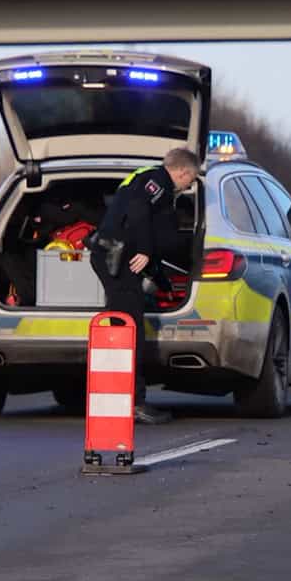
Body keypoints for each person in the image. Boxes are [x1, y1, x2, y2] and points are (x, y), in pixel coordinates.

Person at [90, 147, 200, 424]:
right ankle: (132, 402)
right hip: (118, 257)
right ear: (183, 171)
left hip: (117, 256)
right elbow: (139, 212)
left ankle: (119, 398)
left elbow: (144, 219)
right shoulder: (158, 182)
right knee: (128, 330)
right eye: (192, 179)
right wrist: (147, 250)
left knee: (124, 326)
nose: (190, 185)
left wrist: (158, 274)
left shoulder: (146, 178)